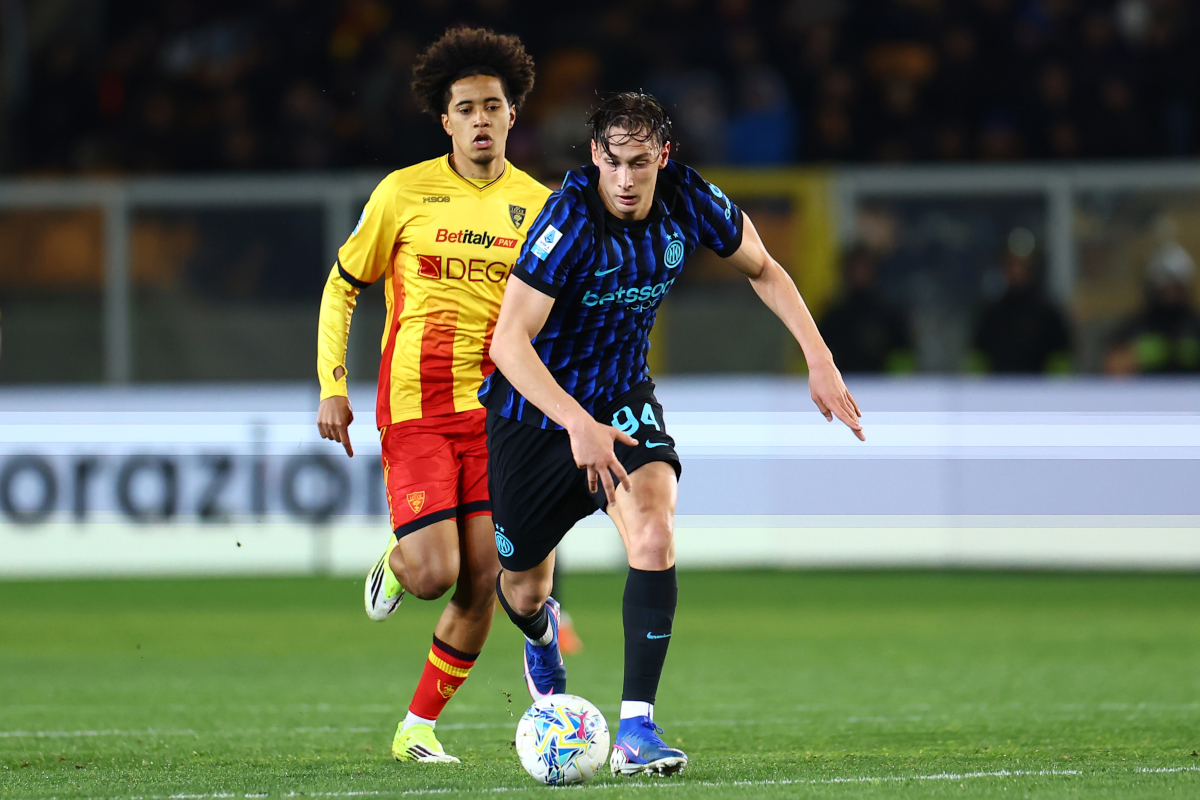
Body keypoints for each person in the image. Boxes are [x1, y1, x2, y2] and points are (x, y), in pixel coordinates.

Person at [482, 92, 863, 777]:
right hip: (536, 414)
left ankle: (637, 730)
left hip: (623, 397)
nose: (625, 180)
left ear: (663, 156)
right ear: (595, 155)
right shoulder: (568, 218)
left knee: (654, 533)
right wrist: (576, 422)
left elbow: (765, 269)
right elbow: (509, 343)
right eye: (613, 163)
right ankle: (542, 635)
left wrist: (819, 358)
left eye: (639, 164)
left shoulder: (690, 200)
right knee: (521, 588)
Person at [315, 27, 550, 764]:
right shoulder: (403, 193)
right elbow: (344, 284)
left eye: (494, 106)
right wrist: (332, 385)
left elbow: (559, 317)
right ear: (444, 119)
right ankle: (399, 559)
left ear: (514, 115)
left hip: (498, 418)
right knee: (434, 573)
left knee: (486, 579)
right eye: (466, 108)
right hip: (415, 409)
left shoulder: (542, 207)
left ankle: (416, 728)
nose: (482, 119)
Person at [972, 237, 1071, 373]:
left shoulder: (1049, 316)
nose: (1017, 271)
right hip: (998, 391)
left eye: (1024, 265)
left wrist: (1056, 391)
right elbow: (976, 360)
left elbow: (1061, 361)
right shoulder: (991, 314)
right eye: (1012, 264)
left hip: (1040, 392)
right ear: (1003, 267)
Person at [820, 244, 913, 373]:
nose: (860, 274)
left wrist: (895, 386)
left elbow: (904, 356)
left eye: (864, 268)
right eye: (855, 269)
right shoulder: (834, 317)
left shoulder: (889, 316)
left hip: (882, 388)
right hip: (842, 387)